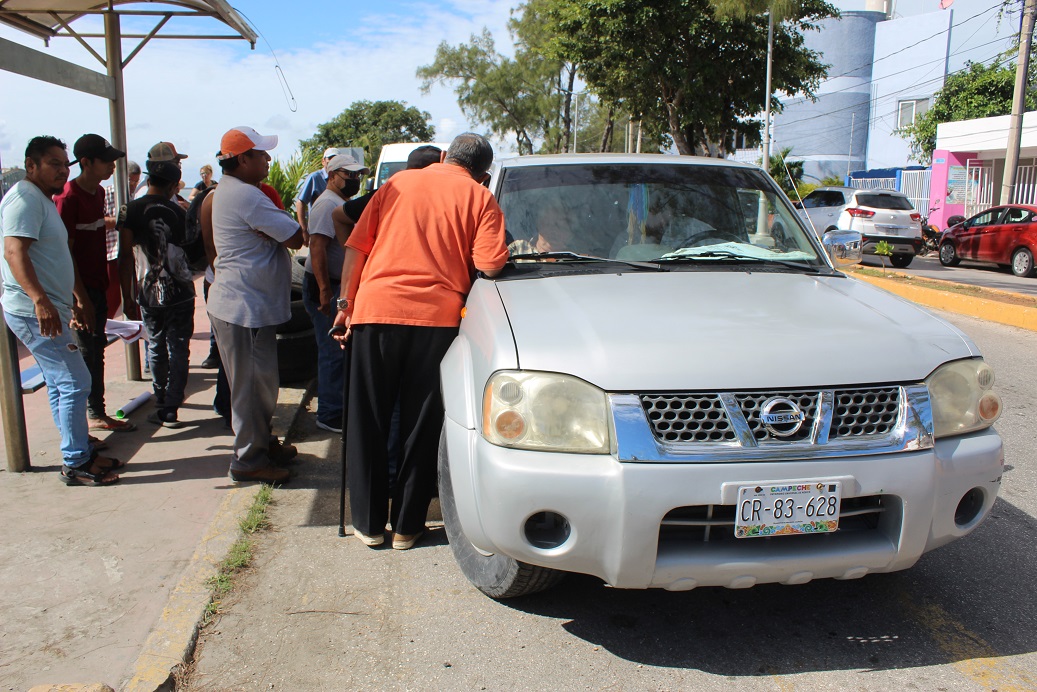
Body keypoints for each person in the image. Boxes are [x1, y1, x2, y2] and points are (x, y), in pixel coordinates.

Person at [332, 133, 508, 550]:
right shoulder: (480, 198)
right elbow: (490, 263)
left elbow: (357, 247)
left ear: (444, 156)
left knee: (368, 419)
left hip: (374, 312)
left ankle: (369, 525)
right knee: (421, 423)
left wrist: (345, 304)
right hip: (437, 322)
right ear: (483, 174)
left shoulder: (395, 184)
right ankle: (408, 527)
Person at [1, 136, 124, 485]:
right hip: (32, 309)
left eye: (63, 163)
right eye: (52, 163)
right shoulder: (25, 198)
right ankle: (76, 462)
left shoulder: (42, 198)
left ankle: (78, 448)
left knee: (61, 382)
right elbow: (14, 253)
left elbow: (56, 254)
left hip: (52, 304)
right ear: (31, 165)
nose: (61, 169)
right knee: (75, 380)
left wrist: (76, 297)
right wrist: (40, 300)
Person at [208, 126, 304, 484]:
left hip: (246, 305)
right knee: (250, 389)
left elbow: (289, 233)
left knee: (259, 384)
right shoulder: (248, 197)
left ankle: (260, 444)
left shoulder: (238, 192)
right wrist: (281, 229)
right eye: (261, 154)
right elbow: (296, 236)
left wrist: (279, 229)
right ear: (243, 159)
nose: (267, 159)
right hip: (243, 307)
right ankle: (248, 460)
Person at [54, 133, 136, 433]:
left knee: (96, 348)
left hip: (98, 284)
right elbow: (66, 253)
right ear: (86, 163)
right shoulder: (68, 198)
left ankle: (96, 411)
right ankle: (92, 415)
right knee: (86, 353)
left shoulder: (98, 194)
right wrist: (79, 300)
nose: (112, 166)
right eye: (107, 161)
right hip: (81, 291)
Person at [118, 159, 195, 428]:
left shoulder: (130, 210)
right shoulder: (180, 212)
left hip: (147, 293)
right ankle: (171, 406)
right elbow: (192, 255)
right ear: (174, 186)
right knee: (179, 348)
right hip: (181, 294)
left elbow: (124, 256)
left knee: (156, 344)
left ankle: (161, 400)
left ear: (148, 180)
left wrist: (127, 296)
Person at [301, 152, 368, 434]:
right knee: (332, 351)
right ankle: (329, 413)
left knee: (338, 351)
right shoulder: (327, 203)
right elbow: (317, 247)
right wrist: (326, 292)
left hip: (334, 283)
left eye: (357, 176)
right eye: (348, 175)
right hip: (325, 283)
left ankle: (336, 408)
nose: (354, 180)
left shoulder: (340, 202)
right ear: (332, 176)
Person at [294, 147, 339, 238]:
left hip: (337, 229)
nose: (333, 162)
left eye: (336, 159)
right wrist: (303, 229)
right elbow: (300, 202)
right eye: (330, 159)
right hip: (318, 230)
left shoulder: (341, 179)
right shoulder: (315, 178)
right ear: (323, 161)